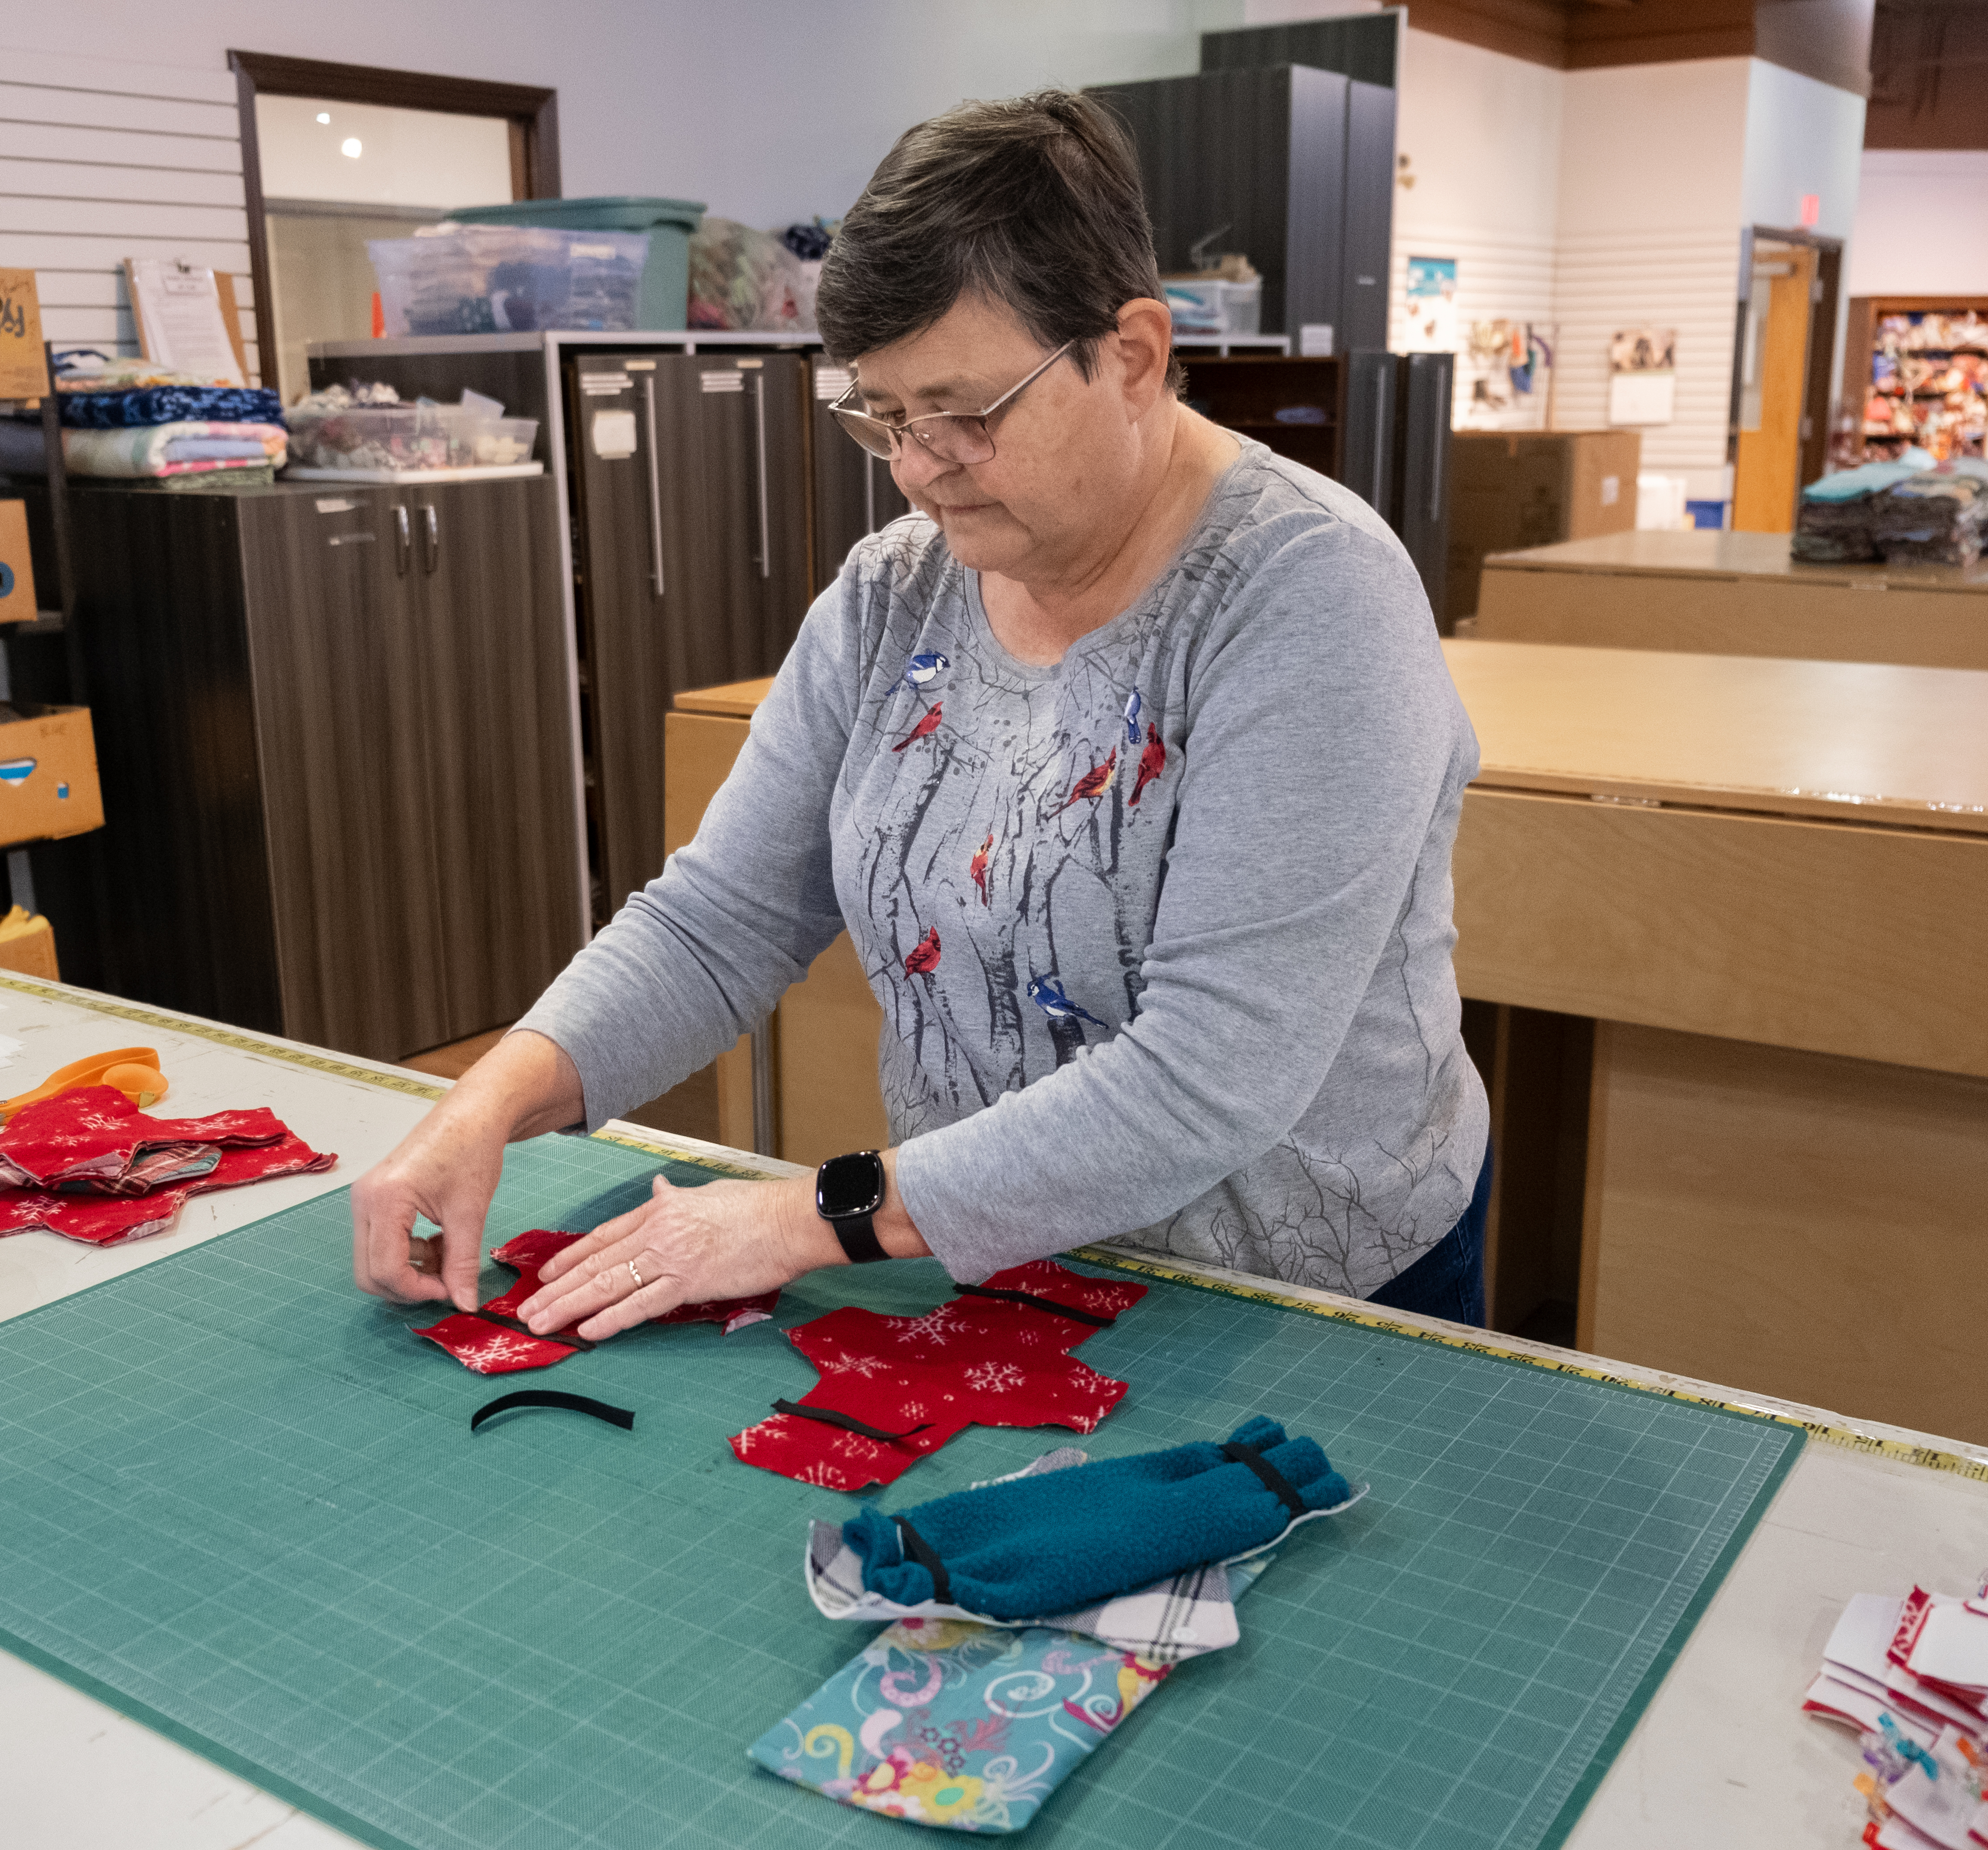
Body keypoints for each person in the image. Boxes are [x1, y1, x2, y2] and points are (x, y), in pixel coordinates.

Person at [350, 88, 1489, 1341]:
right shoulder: (900, 589)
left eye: (964, 414)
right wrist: (492, 1096)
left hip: (1303, 1294)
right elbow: (718, 920)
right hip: (1002, 1264)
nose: (917, 464)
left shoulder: (1311, 595)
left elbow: (1208, 1079)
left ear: (1136, 357)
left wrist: (799, 1221)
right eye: (883, 415)